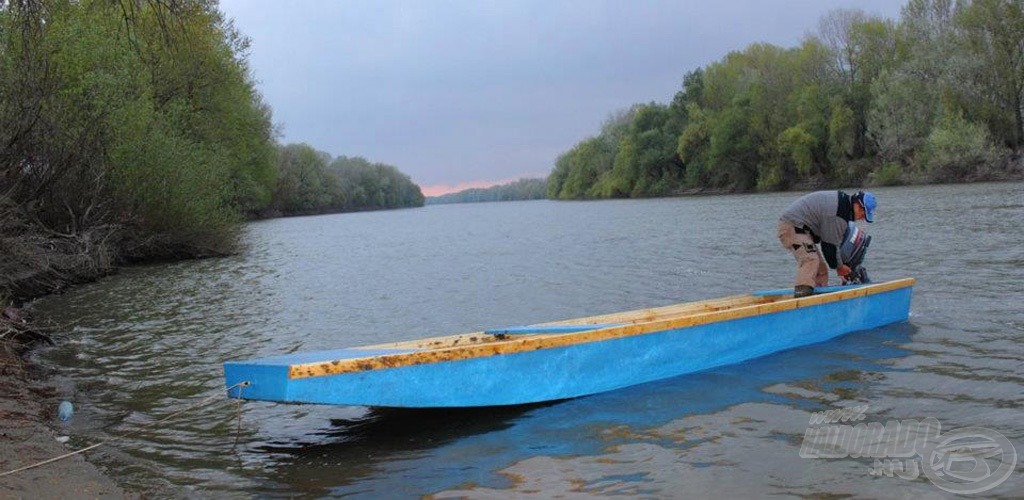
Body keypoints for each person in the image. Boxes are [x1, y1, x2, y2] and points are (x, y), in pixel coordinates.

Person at [778, 190, 877, 297]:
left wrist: (840, 265)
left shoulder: (843, 206)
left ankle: (818, 298)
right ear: (857, 205)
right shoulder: (839, 213)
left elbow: (833, 242)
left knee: (821, 270)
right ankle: (801, 299)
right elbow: (829, 246)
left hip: (802, 229)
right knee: (810, 260)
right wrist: (839, 267)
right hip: (792, 226)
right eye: (863, 213)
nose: (863, 217)